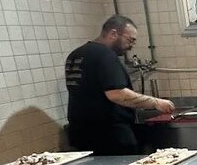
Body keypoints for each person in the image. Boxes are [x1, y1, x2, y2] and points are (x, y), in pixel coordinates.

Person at [65, 15, 174, 155]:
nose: (131, 46)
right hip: (109, 136)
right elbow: (117, 94)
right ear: (113, 34)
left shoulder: (76, 54)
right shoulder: (105, 55)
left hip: (81, 134)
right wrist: (155, 102)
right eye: (130, 40)